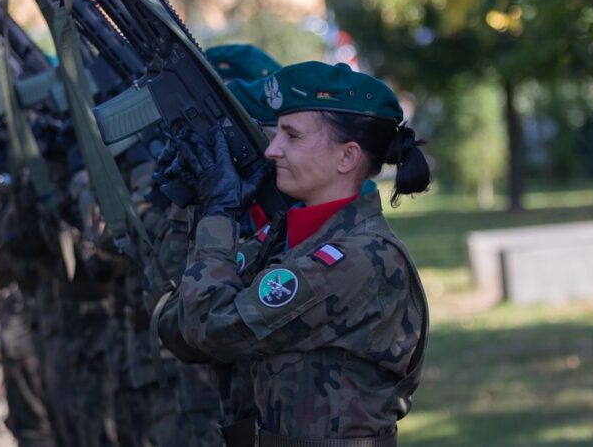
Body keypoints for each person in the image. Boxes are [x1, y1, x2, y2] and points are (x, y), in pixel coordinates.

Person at [172, 62, 430, 446]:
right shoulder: (289, 238)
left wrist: (219, 212)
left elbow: (210, 328)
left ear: (347, 157)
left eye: (291, 136)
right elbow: (179, 328)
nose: (273, 149)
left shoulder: (359, 257)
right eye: (276, 134)